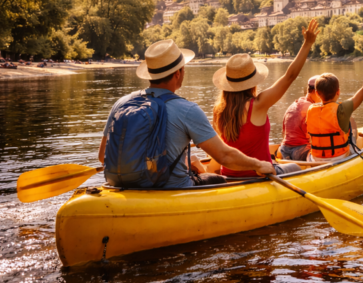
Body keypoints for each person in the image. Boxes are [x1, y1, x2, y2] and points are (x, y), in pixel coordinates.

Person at [98, 39, 275, 188]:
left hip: (122, 185)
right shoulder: (187, 109)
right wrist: (259, 164)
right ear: (178, 73)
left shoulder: (122, 103)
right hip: (173, 187)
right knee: (219, 180)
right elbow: (225, 156)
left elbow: (102, 156)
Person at [210, 19, 320, 178]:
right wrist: (307, 44)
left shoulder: (218, 110)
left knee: (276, 161)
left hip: (228, 175)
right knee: (295, 167)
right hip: (260, 175)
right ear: (252, 82)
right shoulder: (258, 105)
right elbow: (289, 77)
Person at [307, 44, 363, 163]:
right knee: (351, 125)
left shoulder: (310, 109)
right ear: (338, 92)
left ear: (317, 93)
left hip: (315, 159)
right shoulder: (342, 109)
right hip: (339, 157)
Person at [278, 75, 320, 161]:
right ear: (317, 92)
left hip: (283, 150)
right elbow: (317, 136)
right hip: (301, 152)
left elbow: (283, 133)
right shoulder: (312, 108)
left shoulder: (293, 105)